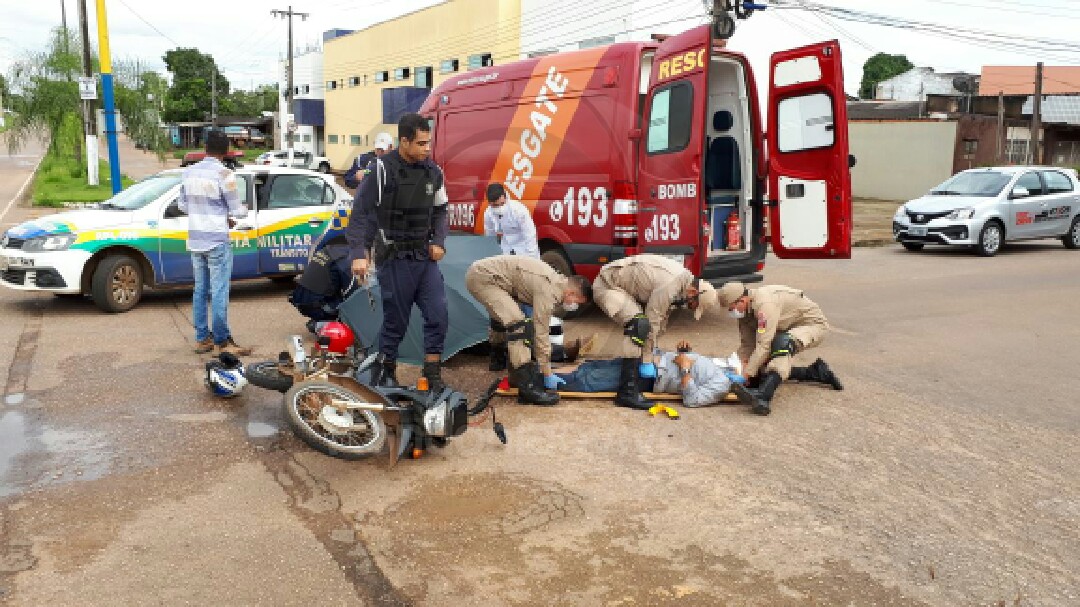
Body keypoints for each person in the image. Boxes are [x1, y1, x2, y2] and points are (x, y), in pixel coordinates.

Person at [345, 114, 449, 389]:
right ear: (404, 141)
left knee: (438, 314)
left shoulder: (434, 172)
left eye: (429, 143)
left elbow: (440, 211)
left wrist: (439, 240)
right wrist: (359, 252)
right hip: (394, 257)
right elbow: (360, 214)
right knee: (396, 320)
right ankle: (385, 369)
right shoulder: (380, 170)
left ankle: (432, 373)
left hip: (424, 258)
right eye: (421, 143)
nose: (428, 149)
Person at [592, 254, 718, 410]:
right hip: (607, 286)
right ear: (693, 293)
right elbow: (652, 321)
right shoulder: (671, 284)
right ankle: (627, 393)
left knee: (643, 328)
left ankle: (627, 382)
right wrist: (646, 360)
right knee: (638, 325)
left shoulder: (682, 285)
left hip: (620, 288)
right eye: (693, 305)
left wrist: (653, 350)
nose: (689, 308)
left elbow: (661, 321)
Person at [465, 255, 591, 406]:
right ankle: (527, 388)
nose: (574, 305)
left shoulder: (556, 282)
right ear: (570, 293)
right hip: (484, 278)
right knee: (518, 325)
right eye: (577, 301)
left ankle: (504, 364)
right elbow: (541, 332)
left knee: (506, 315)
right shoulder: (550, 292)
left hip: (488, 276)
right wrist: (547, 372)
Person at [716, 282, 844, 416]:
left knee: (781, 344)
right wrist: (740, 367)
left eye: (731, 309)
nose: (732, 312)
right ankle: (815, 372)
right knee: (760, 370)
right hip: (786, 328)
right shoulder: (745, 312)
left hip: (813, 326)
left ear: (742, 300)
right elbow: (747, 345)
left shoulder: (765, 305)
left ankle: (763, 396)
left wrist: (745, 374)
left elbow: (763, 345)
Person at [179, 130, 252, 356]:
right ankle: (222, 341)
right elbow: (236, 210)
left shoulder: (189, 173)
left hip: (196, 240)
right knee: (219, 290)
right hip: (217, 240)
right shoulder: (224, 174)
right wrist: (243, 209)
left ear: (205, 148)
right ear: (226, 151)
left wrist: (211, 212)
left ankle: (202, 339)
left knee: (200, 290)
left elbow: (183, 206)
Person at [555, 341, 743, 408]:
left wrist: (685, 368)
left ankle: (541, 382)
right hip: (650, 360)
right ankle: (548, 373)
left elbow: (692, 400)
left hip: (651, 377)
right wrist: (685, 351)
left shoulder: (722, 385)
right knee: (591, 367)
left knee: (588, 380)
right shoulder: (724, 368)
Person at [482, 183, 540, 258]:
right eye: (495, 205)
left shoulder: (518, 210)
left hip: (524, 249)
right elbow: (490, 237)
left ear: (505, 197)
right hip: (506, 250)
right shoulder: (488, 213)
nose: (499, 207)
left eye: (502, 203)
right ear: (489, 203)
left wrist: (531, 257)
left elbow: (530, 235)